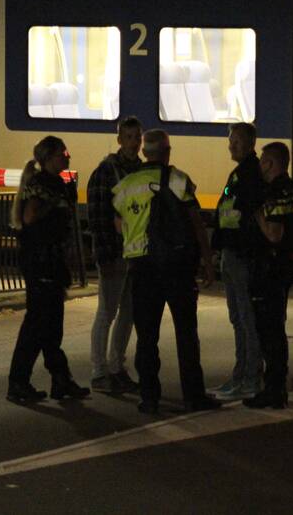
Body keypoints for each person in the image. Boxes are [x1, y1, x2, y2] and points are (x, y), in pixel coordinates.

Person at [112, 129, 220, 414]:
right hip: (176, 266)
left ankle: (149, 397)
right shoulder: (178, 180)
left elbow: (119, 225)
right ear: (167, 152)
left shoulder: (126, 185)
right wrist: (208, 262)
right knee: (186, 334)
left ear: (144, 152)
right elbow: (196, 223)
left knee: (147, 336)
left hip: (141, 268)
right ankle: (193, 396)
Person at [6, 136, 90, 403]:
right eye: (63, 153)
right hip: (41, 261)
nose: (67, 157)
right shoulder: (42, 185)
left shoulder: (54, 183)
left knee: (52, 324)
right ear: (49, 157)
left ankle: (60, 379)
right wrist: (53, 204)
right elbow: (30, 216)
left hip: (51, 261)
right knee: (37, 324)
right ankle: (19, 382)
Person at [243, 142, 293, 409]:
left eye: (263, 161)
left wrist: (257, 212)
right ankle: (277, 387)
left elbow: (273, 234)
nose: (260, 166)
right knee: (277, 327)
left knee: (269, 331)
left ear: (270, 164)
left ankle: (273, 389)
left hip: (269, 267)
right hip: (289, 264)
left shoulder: (273, 195)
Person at [86, 116, 142, 393]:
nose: (133, 143)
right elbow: (97, 217)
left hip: (135, 253)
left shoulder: (140, 171)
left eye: (137, 137)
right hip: (115, 253)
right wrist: (104, 255)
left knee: (129, 312)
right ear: (119, 140)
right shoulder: (106, 171)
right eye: (128, 137)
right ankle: (99, 371)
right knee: (107, 312)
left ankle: (117, 367)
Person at [211, 122, 265, 401]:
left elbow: (246, 214)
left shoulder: (250, 174)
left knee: (246, 319)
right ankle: (240, 375)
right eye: (231, 141)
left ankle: (249, 378)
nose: (231, 145)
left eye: (236, 141)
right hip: (232, 252)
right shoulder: (240, 173)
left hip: (241, 254)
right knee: (239, 318)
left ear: (250, 143)